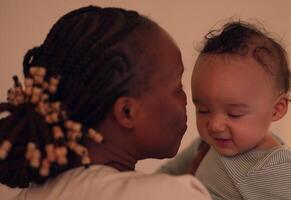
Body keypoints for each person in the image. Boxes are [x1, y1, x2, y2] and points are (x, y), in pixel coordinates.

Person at [0, 5, 212, 200]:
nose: (187, 100)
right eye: (177, 88)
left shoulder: (27, 196)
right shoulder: (170, 194)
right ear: (127, 112)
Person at [159, 21, 291, 200]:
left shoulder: (278, 168)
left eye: (234, 114)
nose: (215, 125)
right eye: (203, 110)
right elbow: (162, 179)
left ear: (276, 109)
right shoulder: (206, 145)